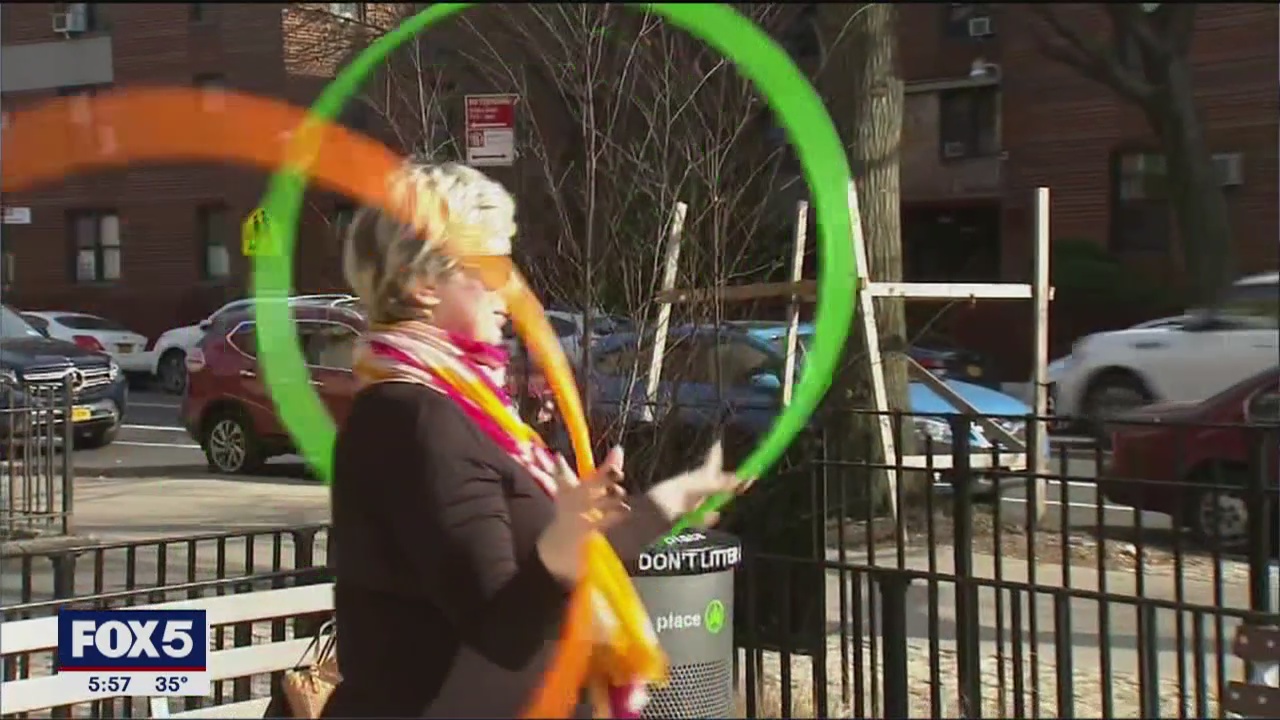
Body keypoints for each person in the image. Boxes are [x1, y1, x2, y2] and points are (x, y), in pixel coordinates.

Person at [320, 160, 741, 719]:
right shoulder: (414, 420)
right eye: (490, 266)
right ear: (422, 284)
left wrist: (666, 504)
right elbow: (503, 632)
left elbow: (554, 573)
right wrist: (564, 536)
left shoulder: (472, 413)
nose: (511, 289)